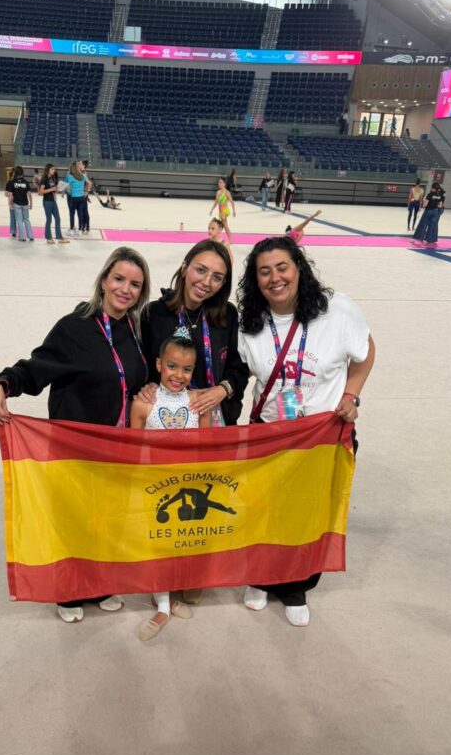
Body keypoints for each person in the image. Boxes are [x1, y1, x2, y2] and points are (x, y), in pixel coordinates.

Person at [0, 246, 151, 623]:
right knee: (74, 519)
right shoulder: (74, 327)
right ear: (104, 280)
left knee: (107, 519)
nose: (125, 289)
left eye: (135, 284)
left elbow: (139, 377)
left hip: (119, 448)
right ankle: (69, 590)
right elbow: (36, 367)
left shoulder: (135, 329)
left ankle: (101, 584)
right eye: (119, 279)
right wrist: (2, 383)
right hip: (76, 447)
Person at [237, 235, 375, 626]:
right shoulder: (250, 322)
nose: (275, 278)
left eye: (282, 267)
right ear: (255, 280)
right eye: (264, 272)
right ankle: (260, 577)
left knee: (309, 512)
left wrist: (351, 395)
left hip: (321, 435)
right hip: (270, 434)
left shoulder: (337, 309)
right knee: (263, 510)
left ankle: (296, 585)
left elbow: (366, 352)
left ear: (299, 268)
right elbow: (238, 372)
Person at [140, 240, 249, 608]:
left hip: (212, 417)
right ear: (185, 266)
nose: (207, 282)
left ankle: (196, 570)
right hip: (167, 421)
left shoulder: (226, 315)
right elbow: (144, 364)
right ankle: (164, 571)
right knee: (167, 496)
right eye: (201, 270)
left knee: (205, 497)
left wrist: (222, 389)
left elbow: (238, 366)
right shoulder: (154, 313)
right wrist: (145, 390)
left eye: (218, 277)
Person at [130, 335, 210, 640]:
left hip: (189, 484)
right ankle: (163, 604)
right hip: (154, 486)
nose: (179, 375)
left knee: (183, 542)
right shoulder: (143, 403)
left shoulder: (199, 403)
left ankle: (175, 588)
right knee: (158, 544)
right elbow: (133, 451)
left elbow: (207, 448)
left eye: (187, 369)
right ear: (159, 364)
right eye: (172, 366)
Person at [37, 163, 68, 246]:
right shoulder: (44, 179)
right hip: (47, 202)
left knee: (58, 219)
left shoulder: (52, 179)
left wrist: (59, 190)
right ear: (48, 170)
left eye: (54, 169)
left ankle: (59, 237)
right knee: (49, 220)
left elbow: (53, 190)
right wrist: (52, 189)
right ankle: (48, 238)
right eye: (52, 169)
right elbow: (40, 192)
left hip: (54, 201)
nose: (54, 171)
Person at [411, 181, 445, 247]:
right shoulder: (439, 196)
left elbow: (425, 205)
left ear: (432, 187)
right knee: (431, 226)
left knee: (422, 224)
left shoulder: (430, 194)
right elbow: (440, 205)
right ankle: (427, 240)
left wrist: (424, 201)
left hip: (428, 211)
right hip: (435, 212)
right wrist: (435, 205)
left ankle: (416, 238)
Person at [6, 166, 34, 242]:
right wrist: (31, 203)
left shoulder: (13, 182)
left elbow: (10, 194)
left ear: (15, 173)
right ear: (22, 173)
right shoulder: (26, 182)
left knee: (19, 220)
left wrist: (10, 204)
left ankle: (22, 237)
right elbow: (29, 194)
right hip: (25, 204)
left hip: (17, 204)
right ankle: (31, 236)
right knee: (27, 220)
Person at [65, 160, 90, 237]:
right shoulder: (83, 175)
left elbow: (67, 186)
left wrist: (63, 191)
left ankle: (72, 230)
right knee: (80, 214)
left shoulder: (70, 176)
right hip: (81, 197)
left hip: (74, 197)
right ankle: (80, 230)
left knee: (72, 214)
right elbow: (89, 183)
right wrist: (86, 191)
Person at [209, 177, 235, 242]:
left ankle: (230, 239)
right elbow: (216, 202)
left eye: (220, 182)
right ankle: (216, 237)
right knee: (221, 225)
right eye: (219, 182)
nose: (219, 184)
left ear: (224, 184)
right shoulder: (218, 192)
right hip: (220, 212)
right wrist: (212, 209)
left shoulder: (227, 192)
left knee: (225, 225)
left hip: (225, 211)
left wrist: (234, 211)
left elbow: (232, 202)